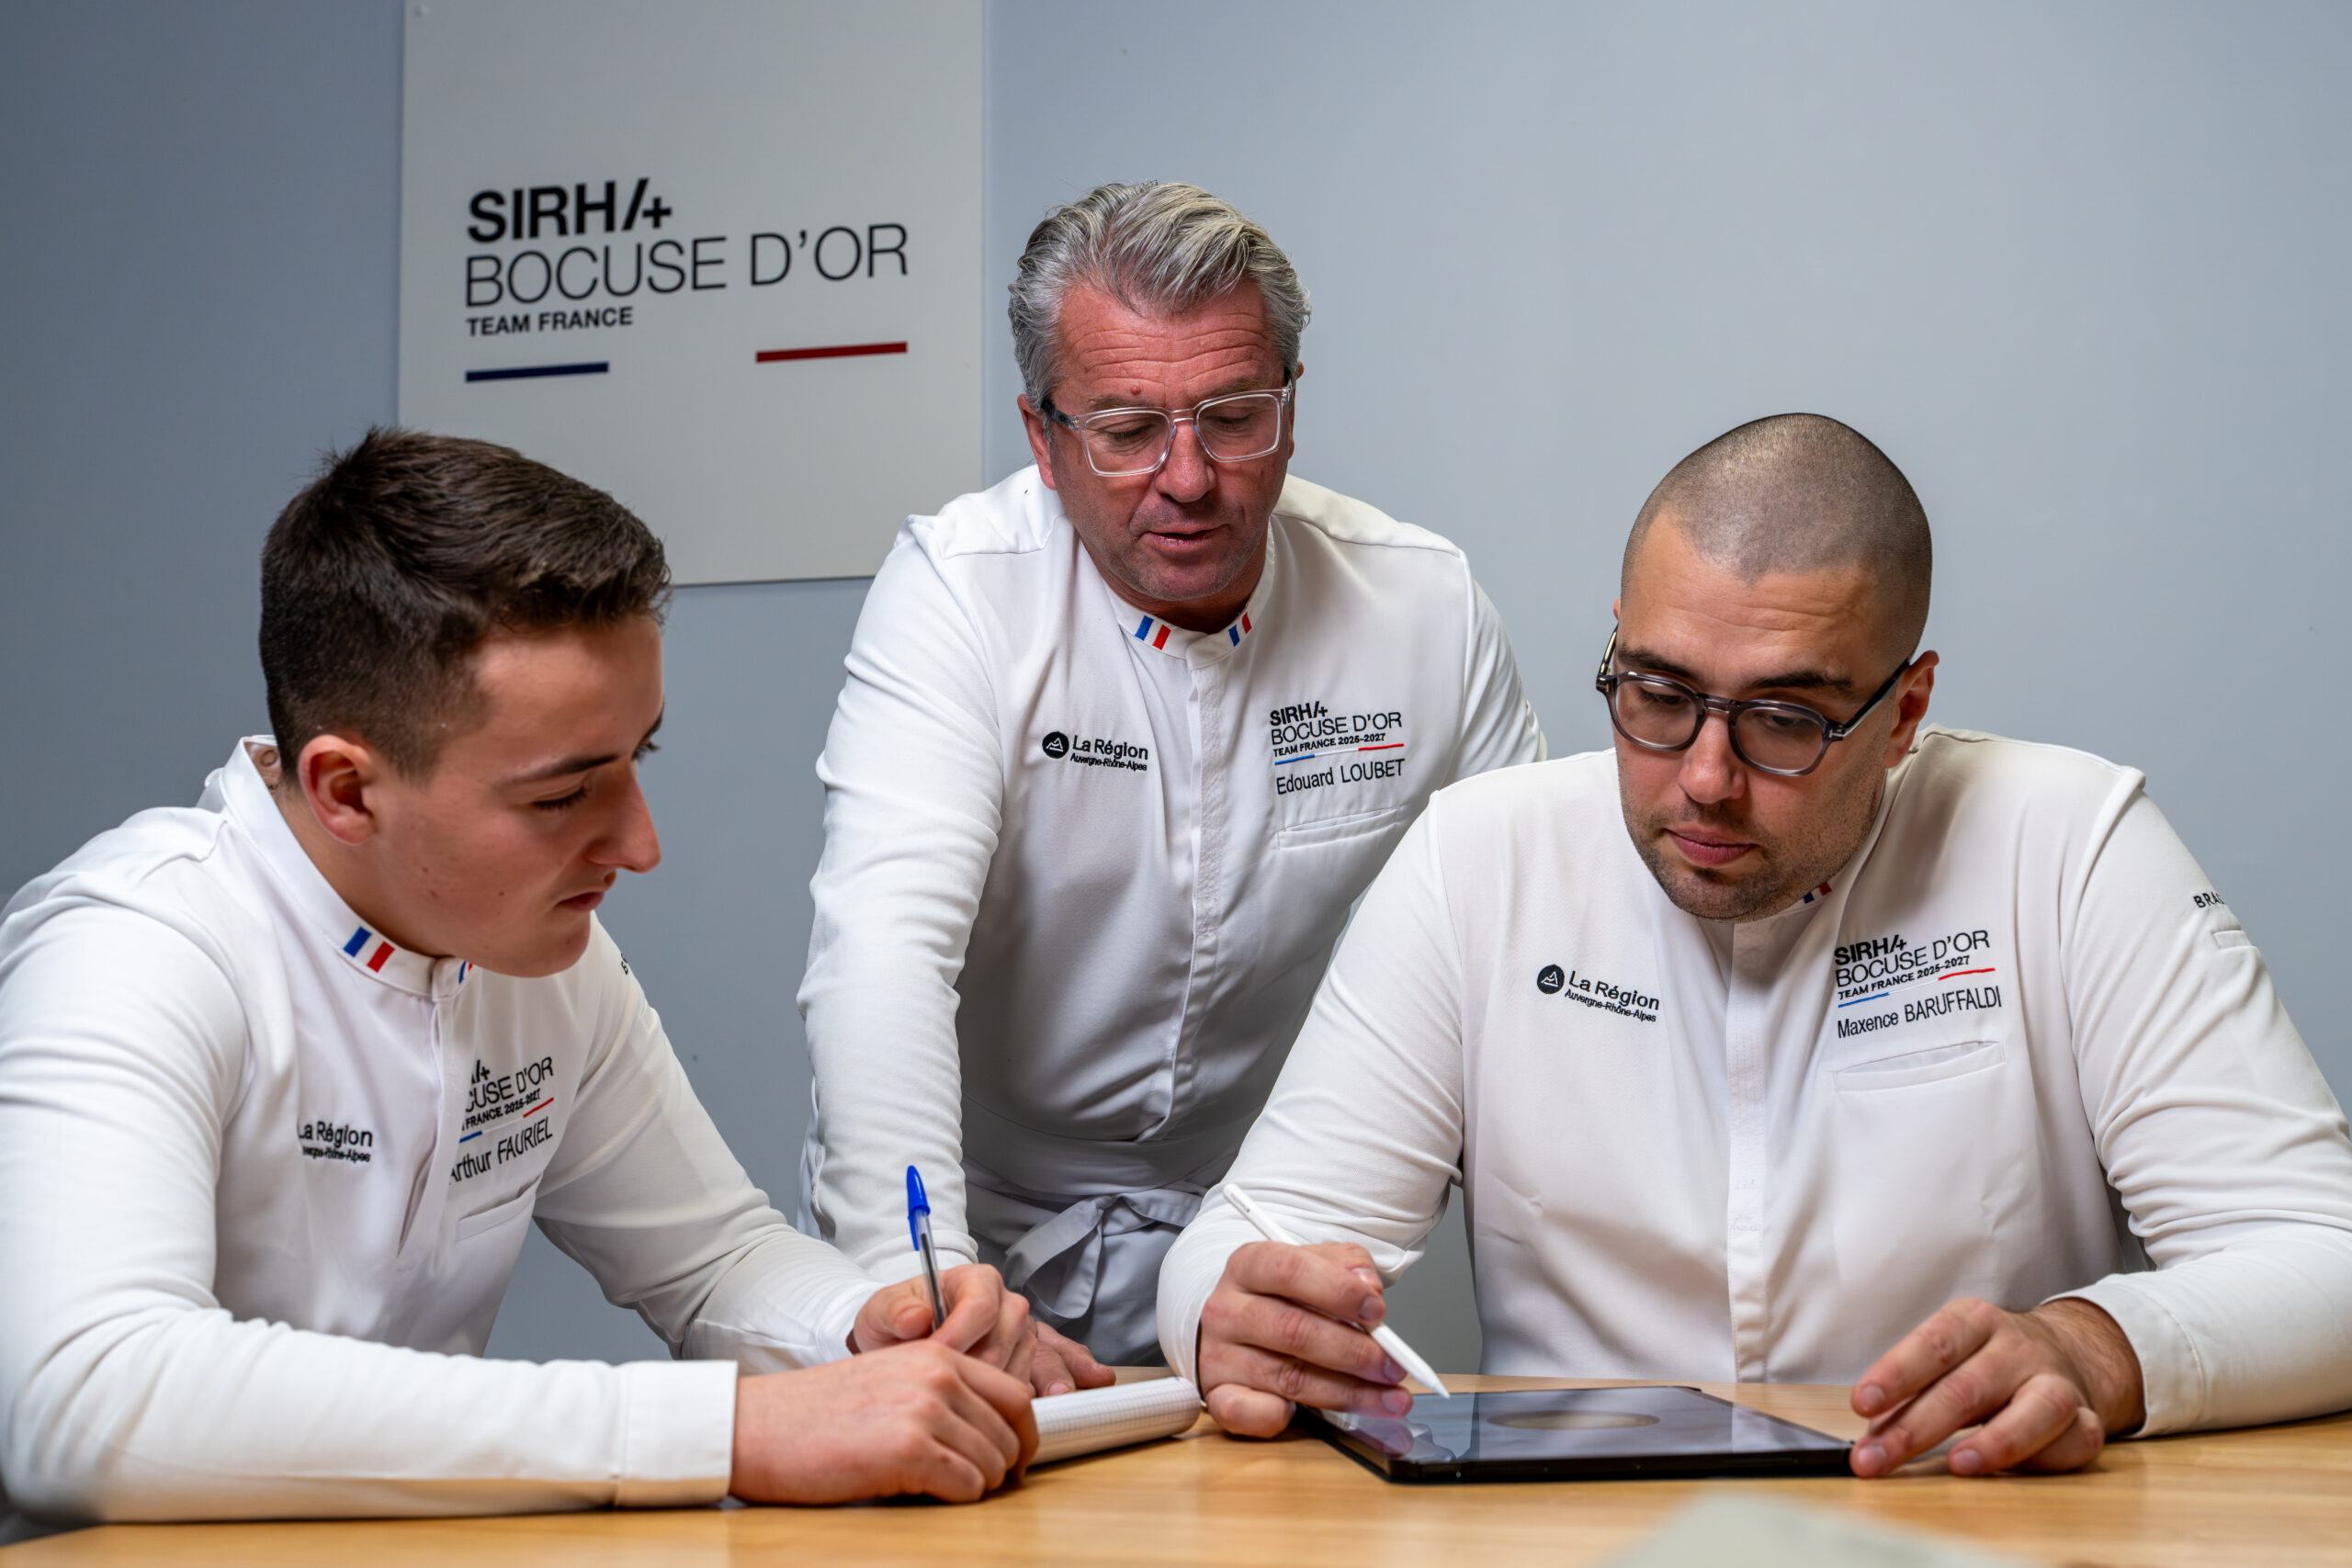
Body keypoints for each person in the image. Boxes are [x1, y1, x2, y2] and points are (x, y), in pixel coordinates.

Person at [1160, 413, 2352, 1476]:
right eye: (1658, 694)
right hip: (1568, 1533)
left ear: (1906, 709)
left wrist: (2091, 1348)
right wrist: (1225, 1310)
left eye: (1785, 719)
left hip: (1955, 1512)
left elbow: (2324, 1255)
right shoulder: (1482, 858)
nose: (1706, 778)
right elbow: (1249, 1237)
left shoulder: (2068, 847)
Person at [0, 431, 1042, 1532]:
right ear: (346, 789)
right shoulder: (133, 949)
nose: (639, 846)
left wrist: (868, 1329)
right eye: (560, 797)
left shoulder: (532, 956)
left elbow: (714, 1261)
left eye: (639, 758)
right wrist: (724, 1430)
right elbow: (81, 1398)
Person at [796, 182, 1544, 1371]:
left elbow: (1522, 968)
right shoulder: (960, 593)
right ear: (1043, 438)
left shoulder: (1423, 607)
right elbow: (884, 955)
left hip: (1262, 1229)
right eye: (1126, 428)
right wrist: (917, 1290)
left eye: (1233, 417)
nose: (1188, 477)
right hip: (980, 1212)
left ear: (1290, 406)